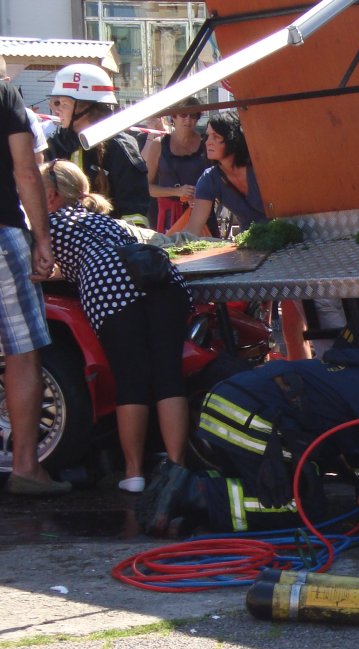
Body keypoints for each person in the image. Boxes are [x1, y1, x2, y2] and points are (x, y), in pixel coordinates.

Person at [138, 335, 359, 537]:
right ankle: (196, 494)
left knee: (296, 485)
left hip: (230, 407)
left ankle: (188, 490)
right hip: (249, 419)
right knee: (303, 507)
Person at [41, 159, 191, 494]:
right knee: (169, 376)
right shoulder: (100, 219)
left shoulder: (47, 224)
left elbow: (36, 269)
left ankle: (134, 473)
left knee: (131, 381)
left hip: (110, 291)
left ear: (51, 196)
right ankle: (178, 470)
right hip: (162, 281)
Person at [188, 109, 308, 360]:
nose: (207, 141)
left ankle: (302, 366)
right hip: (253, 250)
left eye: (216, 137)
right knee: (257, 317)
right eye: (207, 135)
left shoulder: (261, 166)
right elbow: (193, 229)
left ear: (232, 139)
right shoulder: (209, 179)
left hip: (291, 244)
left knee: (292, 311)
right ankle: (263, 366)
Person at [0, 58, 67, 496]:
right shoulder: (4, 94)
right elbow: (27, 171)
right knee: (21, 354)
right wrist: (43, 241)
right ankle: (25, 467)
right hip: (1, 237)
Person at [45, 63, 152, 227]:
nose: (56, 110)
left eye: (63, 104)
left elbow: (134, 211)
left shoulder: (119, 148)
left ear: (85, 107)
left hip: (107, 243)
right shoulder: (57, 143)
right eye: (55, 103)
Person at [141, 96, 209, 233]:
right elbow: (146, 187)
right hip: (169, 217)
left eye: (193, 115)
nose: (188, 120)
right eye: (183, 115)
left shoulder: (206, 144)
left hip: (202, 213)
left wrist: (202, 195)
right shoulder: (159, 144)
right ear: (174, 116)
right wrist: (176, 192)